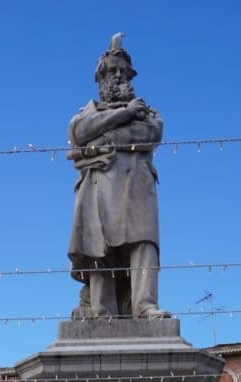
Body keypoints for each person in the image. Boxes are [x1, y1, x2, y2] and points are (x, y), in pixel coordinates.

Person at [67, 33, 169, 320]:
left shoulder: (147, 113)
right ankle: (103, 311)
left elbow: (150, 134)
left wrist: (103, 137)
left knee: (144, 242)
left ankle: (145, 306)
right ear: (100, 79)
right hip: (99, 187)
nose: (119, 76)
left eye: (123, 71)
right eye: (112, 71)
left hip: (137, 185)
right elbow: (78, 134)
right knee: (98, 247)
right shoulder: (88, 112)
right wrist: (124, 114)